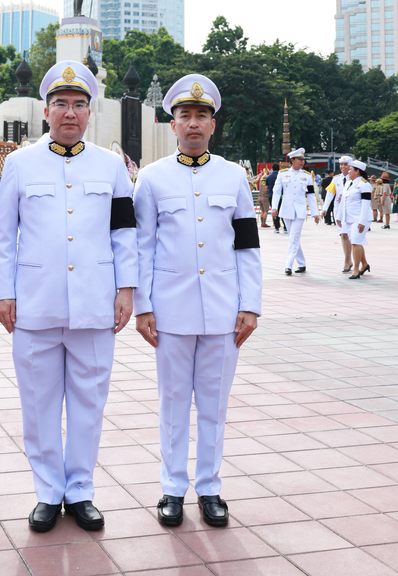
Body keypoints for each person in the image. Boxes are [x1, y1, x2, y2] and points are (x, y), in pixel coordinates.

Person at [0, 60, 138, 533]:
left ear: (90, 112)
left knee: (88, 402)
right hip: (34, 301)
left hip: (95, 301)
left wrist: (126, 289)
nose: (69, 113)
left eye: (78, 104)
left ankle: (80, 491)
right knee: (38, 403)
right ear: (47, 111)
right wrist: (2, 294)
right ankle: (47, 492)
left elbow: (124, 234)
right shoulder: (19, 163)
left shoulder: (111, 166)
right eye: (61, 104)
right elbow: (1, 236)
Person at [133, 74, 262, 529]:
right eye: (184, 115)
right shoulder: (150, 179)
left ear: (213, 124)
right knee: (172, 402)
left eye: (201, 116)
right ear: (172, 124)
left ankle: (209, 488)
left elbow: (247, 245)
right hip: (170, 310)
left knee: (214, 404)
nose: (193, 123)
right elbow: (142, 248)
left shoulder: (234, 176)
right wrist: (142, 307)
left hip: (225, 311)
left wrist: (251, 305)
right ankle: (172, 487)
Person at [272, 147, 319, 275]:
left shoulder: (307, 176)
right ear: (292, 160)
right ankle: (302, 263)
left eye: (303, 160)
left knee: (294, 237)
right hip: (286, 209)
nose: (302, 162)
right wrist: (274, 207)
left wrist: (315, 213)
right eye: (299, 159)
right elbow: (276, 191)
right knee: (293, 238)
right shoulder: (283, 174)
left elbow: (311, 195)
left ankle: (288, 264)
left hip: (300, 210)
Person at [337, 160, 372, 279]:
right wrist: (339, 217)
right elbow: (343, 202)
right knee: (357, 242)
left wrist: (362, 221)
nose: (348, 170)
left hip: (360, 218)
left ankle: (356, 269)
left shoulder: (364, 184)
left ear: (357, 171)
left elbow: (365, 204)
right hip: (349, 218)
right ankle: (365, 264)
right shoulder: (348, 183)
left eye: (351, 169)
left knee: (356, 242)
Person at [322, 155, 354, 272]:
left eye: (345, 164)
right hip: (339, 211)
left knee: (352, 236)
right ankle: (347, 260)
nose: (343, 167)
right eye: (341, 164)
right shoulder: (336, 179)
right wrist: (324, 209)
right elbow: (330, 195)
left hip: (351, 210)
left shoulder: (355, 179)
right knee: (343, 235)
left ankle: (357, 260)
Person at [265, 163, 281, 232]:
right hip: (281, 195)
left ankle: (276, 227)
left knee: (274, 211)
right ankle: (285, 227)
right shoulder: (280, 176)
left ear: (272, 168)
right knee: (282, 210)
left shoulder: (268, 177)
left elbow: (266, 187)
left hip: (271, 195)